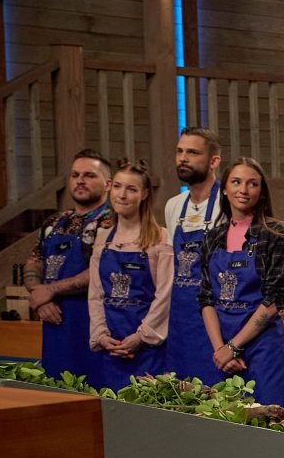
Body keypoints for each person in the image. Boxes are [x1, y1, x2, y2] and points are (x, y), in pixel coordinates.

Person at [198, 157, 284, 411]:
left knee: (273, 423)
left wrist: (234, 346)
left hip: (266, 351)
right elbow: (205, 298)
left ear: (262, 191)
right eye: (236, 182)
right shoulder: (212, 238)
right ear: (224, 188)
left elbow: (275, 299)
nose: (243, 189)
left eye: (252, 184)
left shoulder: (275, 234)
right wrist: (221, 350)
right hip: (222, 353)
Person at [24, 149, 113, 380]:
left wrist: (50, 290)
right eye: (75, 175)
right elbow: (34, 262)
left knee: (93, 391)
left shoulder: (112, 221)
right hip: (55, 325)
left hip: (94, 324)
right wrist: (40, 297)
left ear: (108, 184)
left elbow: (102, 271)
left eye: (89, 175)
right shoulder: (54, 222)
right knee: (55, 390)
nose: (80, 180)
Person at [87, 160, 173, 389]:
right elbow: (96, 295)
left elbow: (165, 296)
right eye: (117, 186)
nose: (122, 195)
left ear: (144, 194)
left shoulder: (161, 238)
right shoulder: (103, 239)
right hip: (110, 349)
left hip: (148, 352)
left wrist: (141, 336)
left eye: (131, 189)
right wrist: (101, 335)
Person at [163, 127, 225, 381]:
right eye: (179, 151)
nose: (183, 158)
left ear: (214, 161)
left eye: (192, 152)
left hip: (217, 319)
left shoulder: (227, 203)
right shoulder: (173, 206)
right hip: (180, 321)